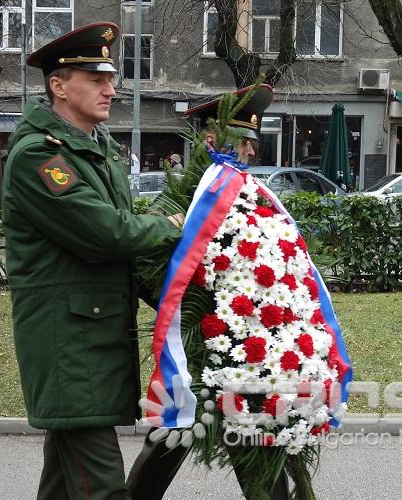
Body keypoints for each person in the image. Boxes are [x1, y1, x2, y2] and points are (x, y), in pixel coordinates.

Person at [2, 22, 184, 499]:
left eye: (110, 79)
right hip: (68, 343)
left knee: (63, 486)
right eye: (96, 79)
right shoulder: (39, 156)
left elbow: (124, 249)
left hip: (91, 339)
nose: (111, 89)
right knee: (101, 488)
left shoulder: (96, 149)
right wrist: (178, 225)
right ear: (58, 86)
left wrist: (178, 299)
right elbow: (106, 233)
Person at [126, 83, 291, 500]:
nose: (250, 151)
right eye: (242, 141)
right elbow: (145, 267)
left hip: (247, 351)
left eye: (254, 143)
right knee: (171, 441)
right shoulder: (185, 195)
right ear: (212, 140)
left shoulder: (251, 196)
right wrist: (192, 316)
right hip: (196, 353)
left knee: (257, 443)